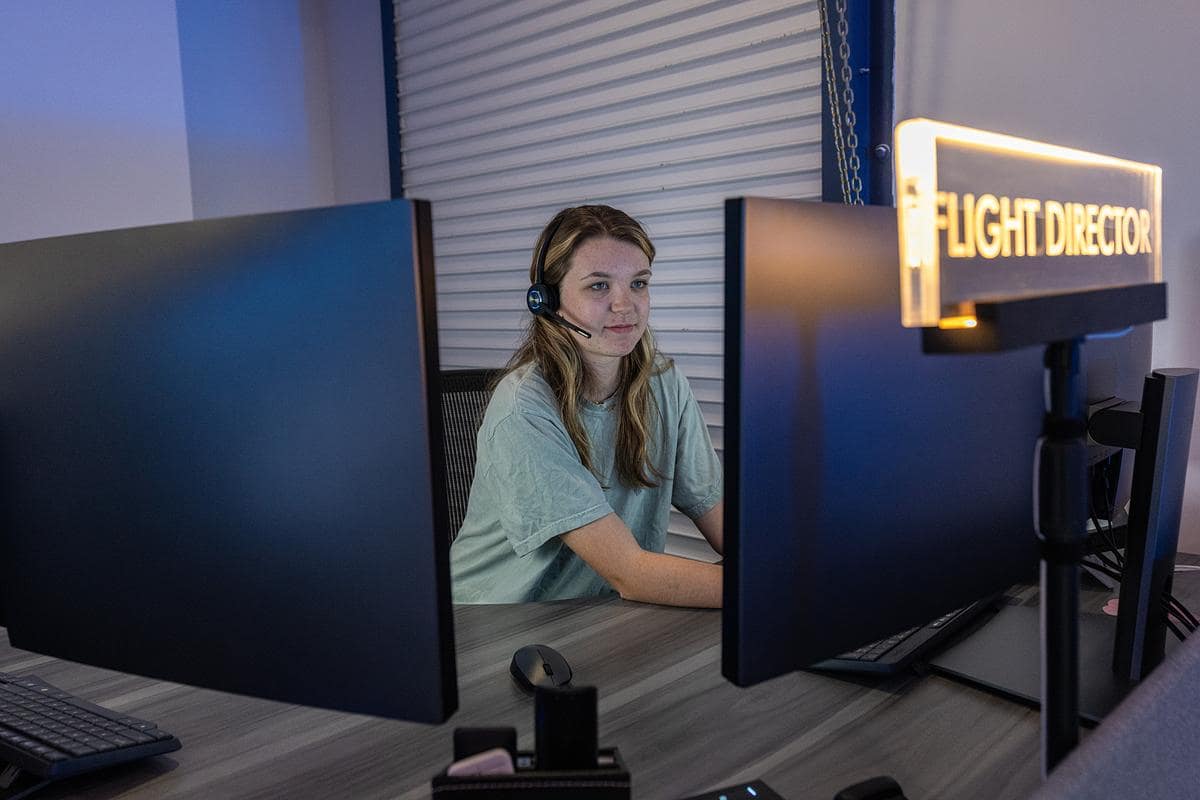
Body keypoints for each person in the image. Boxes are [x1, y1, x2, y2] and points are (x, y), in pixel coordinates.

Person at [449, 205, 723, 607]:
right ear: (547, 300)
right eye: (599, 286)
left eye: (639, 284)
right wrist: (779, 592)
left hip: (600, 618)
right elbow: (630, 573)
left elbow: (719, 516)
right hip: (495, 628)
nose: (625, 305)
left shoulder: (663, 383)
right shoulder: (524, 407)